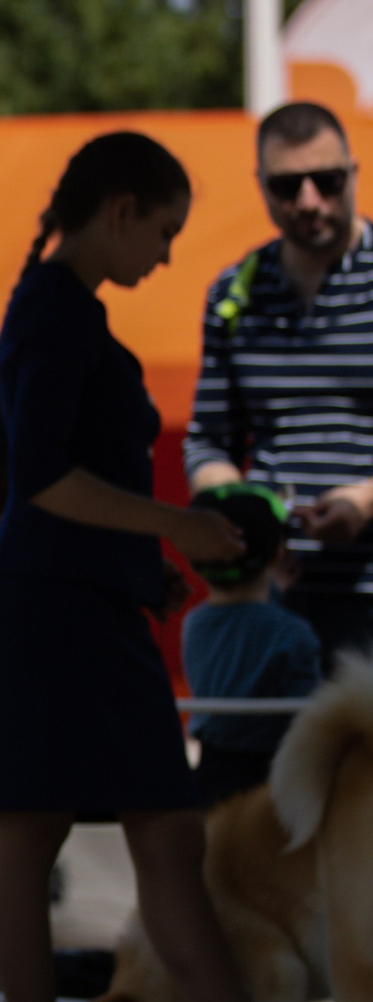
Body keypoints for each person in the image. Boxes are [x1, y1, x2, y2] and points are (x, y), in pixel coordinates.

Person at [0, 130, 326, 1002]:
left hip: (76, 596)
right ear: (120, 208)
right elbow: (43, 476)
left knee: (147, 833)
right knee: (56, 832)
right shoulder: (53, 310)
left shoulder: (55, 308)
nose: (167, 255)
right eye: (164, 230)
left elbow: (47, 482)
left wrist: (148, 559)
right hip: (55, 603)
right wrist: (174, 526)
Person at [187, 102, 373, 668]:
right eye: (288, 186)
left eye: (328, 180)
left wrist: (365, 501)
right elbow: (208, 441)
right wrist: (250, 518)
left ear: (354, 173)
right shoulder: (234, 294)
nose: (310, 201)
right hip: (275, 599)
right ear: (261, 187)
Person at [179, 484, 321, 807]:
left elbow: (241, 628)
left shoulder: (194, 624)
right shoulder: (294, 632)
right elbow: (306, 714)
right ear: (276, 556)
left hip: (210, 774)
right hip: (268, 779)